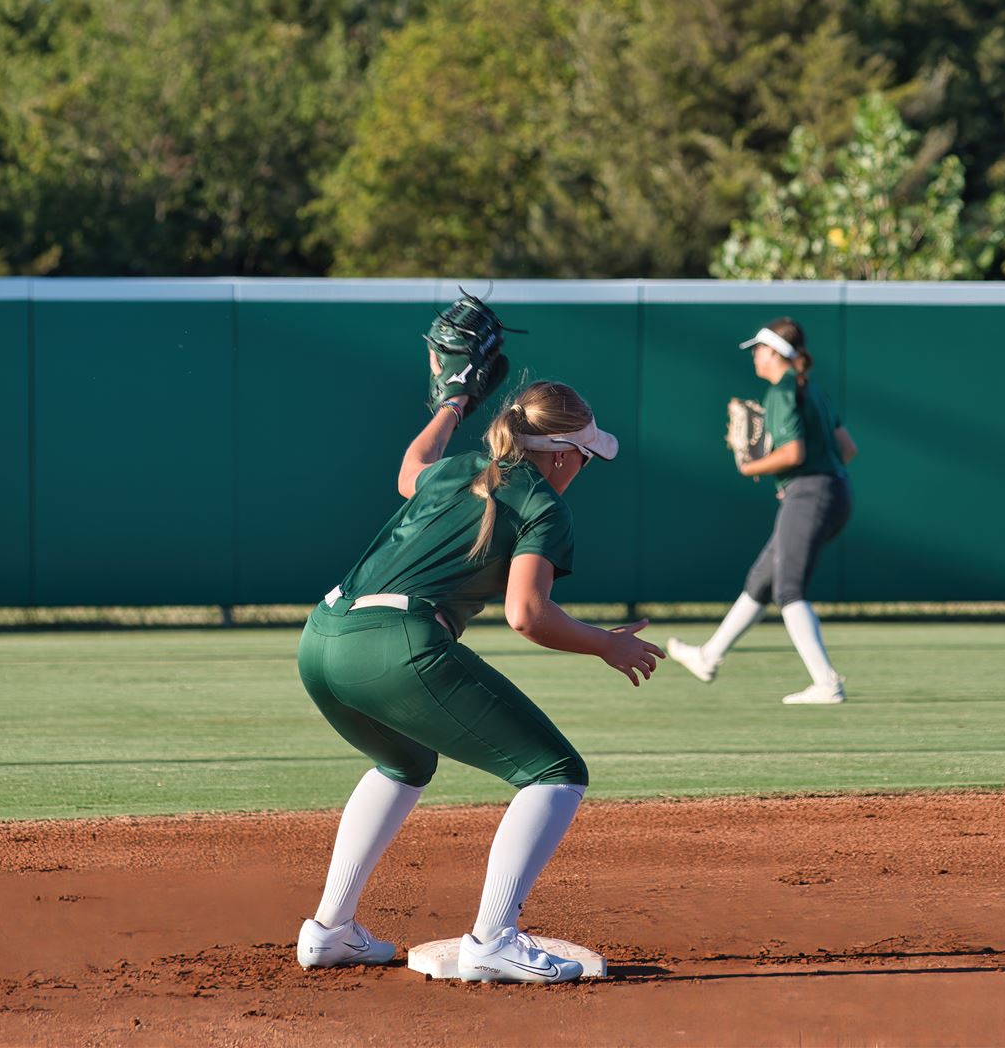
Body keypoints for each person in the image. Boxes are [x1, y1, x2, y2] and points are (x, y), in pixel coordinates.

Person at [295, 379, 662, 984]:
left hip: (321, 640)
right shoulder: (544, 504)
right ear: (565, 454)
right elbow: (528, 614)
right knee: (556, 772)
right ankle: (493, 938)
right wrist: (607, 644)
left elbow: (411, 467)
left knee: (405, 762)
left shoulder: (461, 469)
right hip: (397, 644)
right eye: (588, 457)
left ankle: (329, 931)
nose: (584, 468)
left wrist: (451, 402)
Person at [666, 319, 857, 704]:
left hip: (810, 494)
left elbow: (794, 453)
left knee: (789, 589)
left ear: (774, 353)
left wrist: (750, 466)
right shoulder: (811, 389)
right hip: (833, 492)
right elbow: (847, 449)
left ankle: (826, 682)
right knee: (760, 581)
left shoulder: (782, 391)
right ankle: (709, 656)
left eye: (758, 348)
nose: (754, 354)